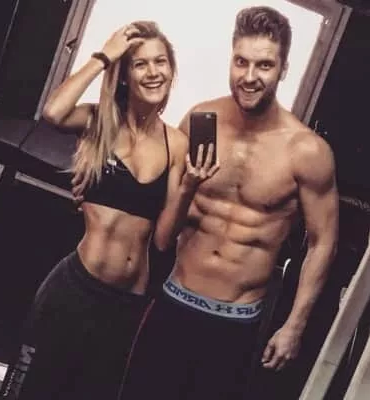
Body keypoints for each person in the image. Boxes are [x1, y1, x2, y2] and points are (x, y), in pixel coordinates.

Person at [119, 6, 339, 400]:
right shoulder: (200, 120)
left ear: (283, 69)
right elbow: (160, 212)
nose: (249, 77)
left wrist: (295, 325)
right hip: (172, 303)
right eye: (241, 62)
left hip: (235, 322)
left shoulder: (306, 151)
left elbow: (323, 243)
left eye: (264, 65)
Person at [0, 21, 217, 400]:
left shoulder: (177, 144)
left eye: (160, 62)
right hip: (73, 290)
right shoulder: (99, 122)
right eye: (140, 64)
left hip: (126, 306)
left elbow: (163, 240)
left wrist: (189, 187)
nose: (153, 72)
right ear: (125, 75)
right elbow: (53, 113)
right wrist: (104, 56)